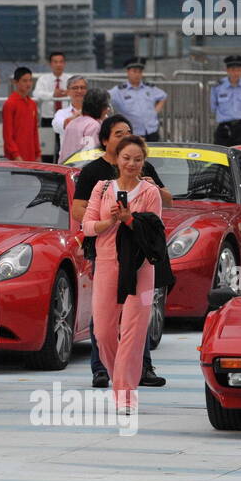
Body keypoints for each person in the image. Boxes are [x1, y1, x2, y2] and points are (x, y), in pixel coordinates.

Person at [71, 115, 173, 388]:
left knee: (134, 331)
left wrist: (130, 219)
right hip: (106, 262)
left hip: (140, 267)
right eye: (118, 134)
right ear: (111, 149)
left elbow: (156, 226)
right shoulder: (98, 182)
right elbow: (85, 220)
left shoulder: (148, 189)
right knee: (103, 331)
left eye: (137, 159)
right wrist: (111, 220)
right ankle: (110, 373)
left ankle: (128, 385)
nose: (131, 163)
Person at [109, 57, 167, 141]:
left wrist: (155, 112)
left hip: (152, 131)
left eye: (140, 72)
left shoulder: (149, 88)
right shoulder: (119, 91)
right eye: (134, 71)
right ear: (128, 72)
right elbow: (105, 97)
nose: (137, 74)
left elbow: (163, 96)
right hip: (133, 133)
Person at [32, 51, 70, 159]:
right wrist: (52, 94)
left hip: (66, 119)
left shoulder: (70, 79)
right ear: (50, 64)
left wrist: (69, 93)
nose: (58, 64)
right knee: (47, 149)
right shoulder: (43, 79)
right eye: (55, 62)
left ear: (64, 63)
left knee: (64, 148)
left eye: (61, 62)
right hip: (48, 118)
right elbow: (36, 93)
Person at [210, 54, 241, 146]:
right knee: (221, 156)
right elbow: (213, 107)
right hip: (224, 127)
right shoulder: (218, 87)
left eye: (238, 70)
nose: (236, 73)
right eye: (233, 70)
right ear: (227, 70)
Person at [59, 87, 108, 164]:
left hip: (64, 167)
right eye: (106, 106)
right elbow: (92, 155)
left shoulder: (73, 122)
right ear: (100, 107)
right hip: (79, 170)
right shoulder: (93, 125)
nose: (107, 110)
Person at [2, 66, 40, 161]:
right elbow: (7, 135)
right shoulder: (10, 104)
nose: (28, 84)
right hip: (16, 158)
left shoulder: (32, 104)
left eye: (30, 80)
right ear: (16, 82)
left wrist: (38, 154)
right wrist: (16, 155)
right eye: (24, 81)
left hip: (31, 156)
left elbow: (34, 132)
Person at [51, 76, 88, 140]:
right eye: (75, 88)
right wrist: (78, 115)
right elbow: (56, 127)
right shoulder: (61, 113)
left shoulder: (95, 112)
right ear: (68, 92)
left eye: (82, 88)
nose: (79, 91)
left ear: (87, 91)